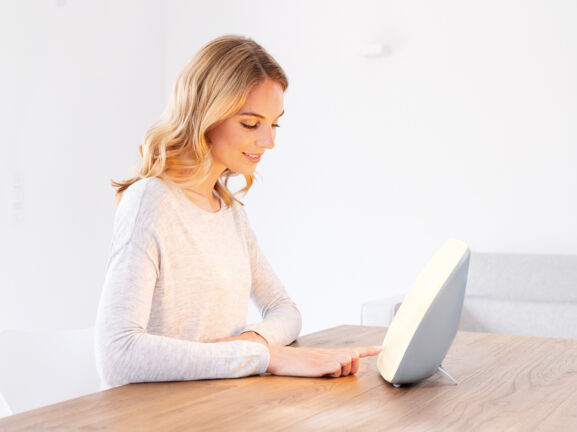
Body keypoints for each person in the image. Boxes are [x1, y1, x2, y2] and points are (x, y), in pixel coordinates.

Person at [94, 34, 381, 387]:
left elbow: (284, 309)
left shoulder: (229, 212)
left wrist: (254, 342)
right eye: (251, 123)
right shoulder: (150, 202)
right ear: (205, 115)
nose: (269, 141)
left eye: (274, 123)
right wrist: (266, 357)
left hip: (219, 407)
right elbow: (117, 354)